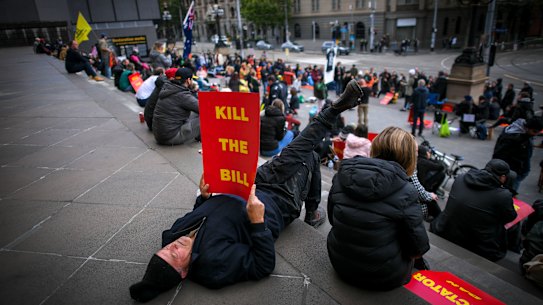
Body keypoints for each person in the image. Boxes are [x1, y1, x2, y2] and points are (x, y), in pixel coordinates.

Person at [129, 79, 365, 303]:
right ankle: (332, 115)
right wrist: (257, 222)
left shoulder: (172, 234)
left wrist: (204, 197)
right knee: (309, 154)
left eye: (165, 250)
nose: (172, 246)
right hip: (278, 202)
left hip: (251, 184)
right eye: (172, 256)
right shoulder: (213, 266)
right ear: (183, 272)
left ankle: (332, 112)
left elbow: (198, 213)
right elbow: (263, 264)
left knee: (299, 151)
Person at [327, 126, 430, 290]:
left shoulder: (342, 175)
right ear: (409, 157)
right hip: (384, 276)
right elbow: (418, 248)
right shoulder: (407, 191)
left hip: (340, 263)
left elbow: (333, 219)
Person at [430, 159, 517, 262]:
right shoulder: (503, 195)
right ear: (502, 177)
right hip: (477, 242)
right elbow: (510, 217)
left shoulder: (461, 178)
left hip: (445, 228)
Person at [152, 68, 200, 145]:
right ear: (188, 80)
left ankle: (198, 135)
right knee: (205, 117)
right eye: (192, 79)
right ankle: (200, 138)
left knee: (195, 113)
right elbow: (204, 109)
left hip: (160, 135)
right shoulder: (182, 95)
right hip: (170, 137)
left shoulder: (167, 87)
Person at [492, 117, 543, 191]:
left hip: (517, 167)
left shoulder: (522, 133)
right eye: (534, 131)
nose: (536, 134)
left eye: (538, 132)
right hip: (512, 169)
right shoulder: (514, 137)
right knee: (509, 189)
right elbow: (500, 154)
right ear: (527, 128)